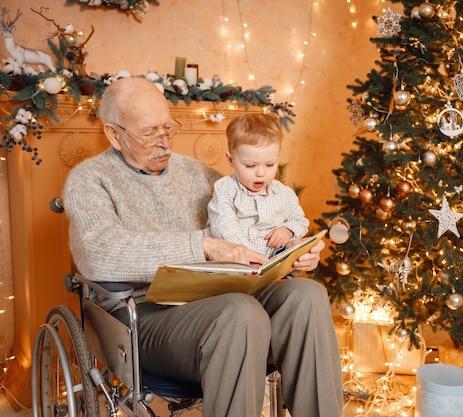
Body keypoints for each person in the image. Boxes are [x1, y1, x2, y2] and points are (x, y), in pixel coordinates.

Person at [62, 76, 343, 417]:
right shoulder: (90, 179)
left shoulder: (200, 175)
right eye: (150, 133)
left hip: (221, 298)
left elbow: (256, 226)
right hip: (141, 319)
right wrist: (204, 246)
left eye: (168, 128)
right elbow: (99, 254)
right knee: (240, 312)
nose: (164, 142)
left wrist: (295, 250)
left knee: (307, 296)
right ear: (114, 134)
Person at [205, 113, 309, 258]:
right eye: (250, 165)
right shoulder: (225, 188)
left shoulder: (285, 194)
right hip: (234, 261)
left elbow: (300, 221)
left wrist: (288, 230)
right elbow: (224, 226)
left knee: (295, 248)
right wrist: (249, 255)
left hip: (270, 261)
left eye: (270, 164)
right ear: (231, 160)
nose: (261, 173)